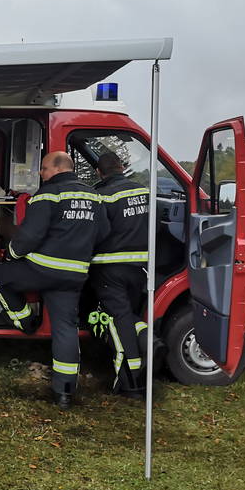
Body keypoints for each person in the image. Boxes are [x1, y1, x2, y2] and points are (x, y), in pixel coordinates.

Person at [0, 152, 109, 410]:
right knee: (65, 329)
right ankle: (64, 393)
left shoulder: (47, 195)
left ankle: (25, 322)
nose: (41, 173)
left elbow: (29, 237)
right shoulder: (94, 196)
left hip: (41, 269)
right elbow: (103, 233)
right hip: (74, 274)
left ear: (57, 168)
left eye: (44, 168)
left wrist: (10, 255)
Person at [90, 152, 164, 398]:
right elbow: (155, 227)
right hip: (140, 267)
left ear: (99, 172)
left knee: (119, 320)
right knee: (129, 315)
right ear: (121, 167)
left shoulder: (102, 196)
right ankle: (149, 340)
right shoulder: (144, 192)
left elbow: (98, 232)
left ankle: (132, 382)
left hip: (110, 268)